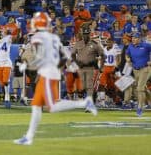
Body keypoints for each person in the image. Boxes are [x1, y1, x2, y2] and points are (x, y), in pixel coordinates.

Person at [14, 12, 97, 146]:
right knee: (36, 105)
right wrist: (64, 67)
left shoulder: (37, 37)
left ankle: (84, 103)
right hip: (51, 71)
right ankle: (29, 136)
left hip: (47, 73)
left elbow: (39, 58)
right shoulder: (53, 38)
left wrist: (27, 65)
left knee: (52, 106)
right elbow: (64, 56)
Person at [72, 26, 104, 98]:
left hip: (94, 67)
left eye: (87, 33)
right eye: (84, 34)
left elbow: (101, 56)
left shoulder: (96, 45)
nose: (86, 35)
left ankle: (94, 101)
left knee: (94, 86)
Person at [126, 33, 151, 117]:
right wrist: (128, 59)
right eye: (132, 38)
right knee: (143, 88)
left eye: (135, 38)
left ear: (139, 38)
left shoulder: (146, 45)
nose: (133, 39)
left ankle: (140, 107)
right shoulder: (130, 46)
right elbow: (127, 54)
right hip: (135, 69)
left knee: (139, 88)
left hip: (145, 69)